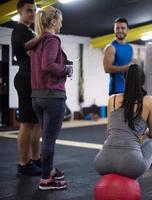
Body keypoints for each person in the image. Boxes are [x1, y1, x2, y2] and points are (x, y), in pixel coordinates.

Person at [94, 64, 152, 199]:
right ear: (143, 81)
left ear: (125, 80)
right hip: (130, 165)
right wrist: (142, 133)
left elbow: (109, 131)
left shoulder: (112, 99)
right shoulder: (149, 101)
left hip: (102, 162)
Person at [30, 6, 72, 190]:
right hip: (52, 97)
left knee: (46, 138)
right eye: (60, 20)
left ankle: (48, 171)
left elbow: (42, 66)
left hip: (37, 97)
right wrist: (66, 69)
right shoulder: (52, 40)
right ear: (54, 21)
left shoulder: (36, 42)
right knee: (48, 140)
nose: (62, 23)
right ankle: (46, 179)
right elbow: (48, 65)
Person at [11, 0, 41, 176]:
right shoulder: (21, 30)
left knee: (36, 123)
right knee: (27, 123)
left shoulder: (29, 31)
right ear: (19, 11)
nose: (32, 14)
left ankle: (35, 159)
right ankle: (23, 164)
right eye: (29, 11)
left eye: (34, 11)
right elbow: (35, 56)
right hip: (25, 79)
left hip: (33, 79)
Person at [103, 17, 136, 95]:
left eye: (122, 28)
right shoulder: (111, 47)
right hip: (116, 91)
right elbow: (106, 69)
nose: (120, 30)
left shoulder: (130, 48)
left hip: (129, 89)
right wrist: (127, 67)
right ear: (114, 30)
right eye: (117, 28)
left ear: (127, 29)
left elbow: (129, 66)